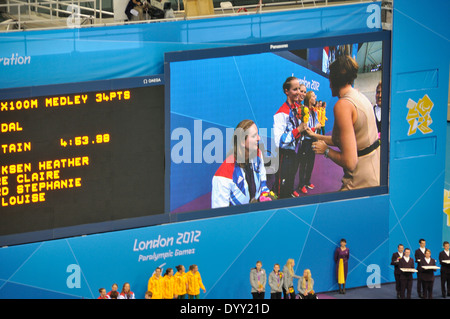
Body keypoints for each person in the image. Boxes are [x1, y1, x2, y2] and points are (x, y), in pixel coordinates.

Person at [307, 55, 380, 191]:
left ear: (333, 80)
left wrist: (326, 151)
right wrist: (316, 136)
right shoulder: (360, 96)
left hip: (360, 180)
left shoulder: (343, 105)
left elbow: (350, 162)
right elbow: (342, 140)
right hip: (374, 170)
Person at [211, 120, 271, 208]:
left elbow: (262, 176)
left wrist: (264, 192)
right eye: (254, 136)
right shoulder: (223, 176)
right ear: (242, 142)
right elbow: (219, 216)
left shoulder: (258, 154)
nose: (259, 138)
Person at [273, 77, 307, 198]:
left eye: (299, 88)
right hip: (285, 156)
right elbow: (279, 142)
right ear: (286, 91)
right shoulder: (281, 113)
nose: (298, 92)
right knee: (281, 189)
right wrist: (298, 130)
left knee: (290, 184)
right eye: (295, 89)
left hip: (295, 153)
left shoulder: (297, 108)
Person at [297, 91, 321, 194]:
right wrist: (315, 127)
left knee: (311, 162)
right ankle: (301, 184)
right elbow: (305, 128)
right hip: (305, 141)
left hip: (313, 139)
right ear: (309, 98)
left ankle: (307, 181)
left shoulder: (314, 111)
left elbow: (317, 123)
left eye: (315, 96)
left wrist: (315, 128)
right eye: (313, 96)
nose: (315, 98)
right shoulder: (303, 110)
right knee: (303, 163)